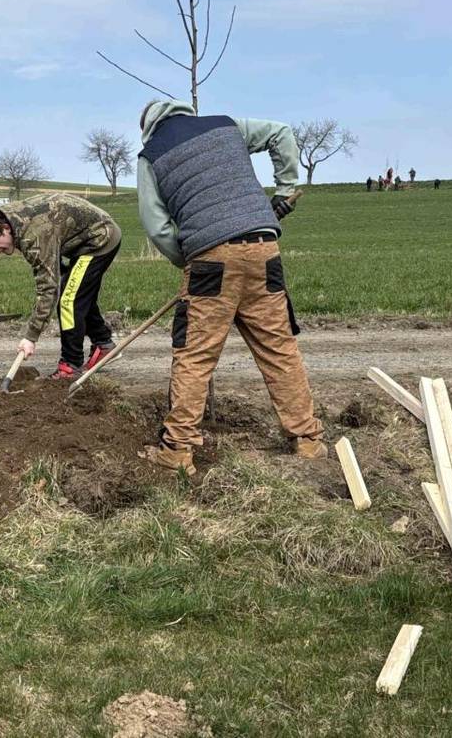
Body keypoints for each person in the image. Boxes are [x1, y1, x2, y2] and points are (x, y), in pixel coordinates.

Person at [135, 99, 327, 476]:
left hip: (210, 259)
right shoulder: (225, 125)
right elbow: (281, 132)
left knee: (195, 353)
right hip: (265, 249)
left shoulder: (151, 155)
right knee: (279, 348)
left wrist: (188, 261)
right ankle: (307, 440)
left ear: (148, 128)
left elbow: (157, 227)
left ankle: (177, 449)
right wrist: (286, 190)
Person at [0, 193, 121, 380]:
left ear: (5, 229)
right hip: (77, 240)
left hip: (99, 240)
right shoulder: (9, 218)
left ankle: (70, 366)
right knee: (74, 291)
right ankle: (104, 344)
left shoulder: (33, 236)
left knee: (67, 300)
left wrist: (30, 336)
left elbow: (48, 289)